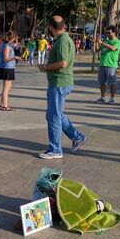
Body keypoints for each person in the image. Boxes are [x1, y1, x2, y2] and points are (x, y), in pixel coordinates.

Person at [38, 16, 86, 159]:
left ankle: (55, 150)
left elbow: (63, 63)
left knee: (54, 116)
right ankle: (77, 136)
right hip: (58, 82)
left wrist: (45, 67)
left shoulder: (63, 41)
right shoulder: (63, 39)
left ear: (50, 27)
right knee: (54, 114)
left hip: (59, 83)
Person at [0, 30, 21, 111]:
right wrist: (15, 57)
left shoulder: (7, 44)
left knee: (9, 86)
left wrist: (16, 46)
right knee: (6, 87)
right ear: (13, 38)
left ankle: (2, 104)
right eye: (16, 38)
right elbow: (6, 59)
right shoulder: (6, 46)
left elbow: (14, 47)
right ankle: (5, 106)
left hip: (8, 67)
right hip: (6, 68)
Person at [95, 26, 120, 104]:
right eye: (106, 33)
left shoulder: (117, 42)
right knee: (102, 83)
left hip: (111, 65)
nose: (107, 34)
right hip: (102, 64)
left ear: (114, 32)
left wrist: (103, 43)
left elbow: (113, 48)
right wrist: (97, 43)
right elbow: (96, 50)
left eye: (109, 33)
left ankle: (112, 98)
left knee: (112, 83)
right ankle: (102, 97)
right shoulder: (105, 40)